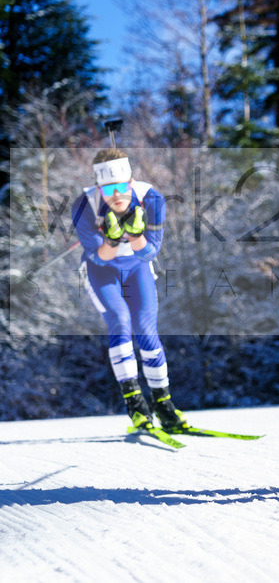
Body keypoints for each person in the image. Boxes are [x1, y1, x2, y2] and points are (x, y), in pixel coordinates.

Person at [71, 148, 188, 432]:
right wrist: (111, 239)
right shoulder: (84, 205)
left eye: (122, 186)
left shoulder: (152, 199)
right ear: (99, 187)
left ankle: (164, 405)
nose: (116, 194)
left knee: (147, 329)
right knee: (121, 322)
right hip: (102, 272)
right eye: (108, 188)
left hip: (137, 268)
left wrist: (135, 236)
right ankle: (136, 404)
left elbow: (150, 254)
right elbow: (99, 258)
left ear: (131, 182)